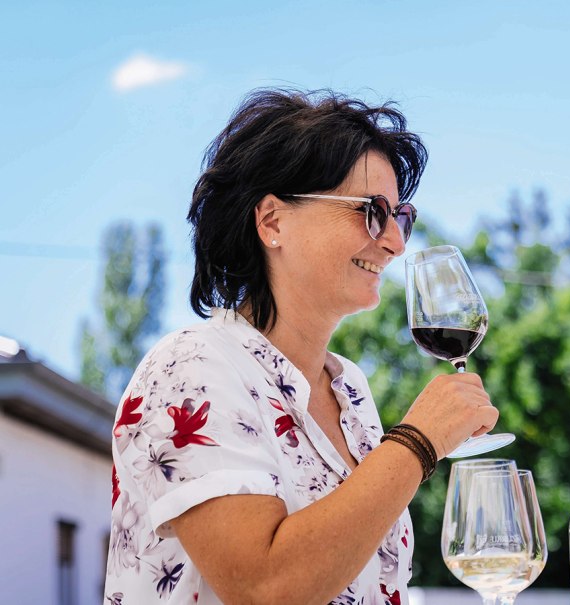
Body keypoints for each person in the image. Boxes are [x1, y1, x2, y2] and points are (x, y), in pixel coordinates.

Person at [105, 89, 499, 604]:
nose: (397, 242)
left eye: (401, 216)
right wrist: (418, 443)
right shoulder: (190, 367)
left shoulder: (350, 389)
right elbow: (265, 588)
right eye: (370, 211)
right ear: (272, 221)